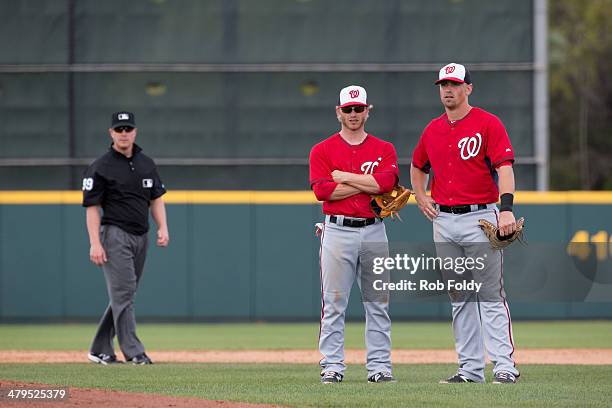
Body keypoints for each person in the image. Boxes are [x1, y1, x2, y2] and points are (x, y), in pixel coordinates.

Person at [410, 63, 520, 384]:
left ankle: (504, 366)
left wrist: (507, 208)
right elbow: (418, 166)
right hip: (443, 219)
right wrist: (420, 195)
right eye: (443, 84)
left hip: (480, 216)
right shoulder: (432, 129)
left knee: (489, 294)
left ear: (468, 88)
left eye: (455, 84)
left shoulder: (487, 123)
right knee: (460, 298)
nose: (448, 90)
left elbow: (505, 167)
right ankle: (470, 369)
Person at [309, 85, 398, 384]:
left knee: (378, 303)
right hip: (336, 230)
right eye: (348, 109)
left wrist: (345, 178)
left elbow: (387, 183)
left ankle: (380, 368)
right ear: (338, 111)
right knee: (333, 302)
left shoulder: (384, 148)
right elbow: (323, 191)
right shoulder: (322, 149)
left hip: (374, 229)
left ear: (367, 110)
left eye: (358, 108)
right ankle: (332, 366)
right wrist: (369, 183)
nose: (353, 114)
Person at [82, 111, 169, 365]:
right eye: (118, 129)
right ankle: (134, 351)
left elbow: (156, 198)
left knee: (125, 294)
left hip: (141, 236)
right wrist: (95, 242)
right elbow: (92, 208)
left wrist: (163, 227)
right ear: (111, 133)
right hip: (114, 235)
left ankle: (99, 348)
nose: (123, 133)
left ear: (135, 132)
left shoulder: (146, 164)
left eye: (127, 129)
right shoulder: (100, 166)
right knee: (124, 292)